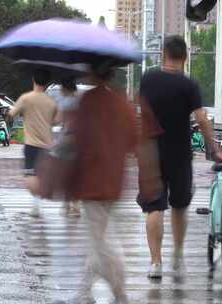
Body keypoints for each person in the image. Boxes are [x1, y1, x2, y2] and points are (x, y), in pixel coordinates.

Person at [138, 35, 222, 279]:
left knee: (154, 208)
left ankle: (156, 263)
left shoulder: (148, 80)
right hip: (179, 154)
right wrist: (215, 150)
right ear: (185, 58)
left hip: (151, 153)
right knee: (179, 206)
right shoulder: (189, 86)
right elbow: (201, 118)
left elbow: (142, 112)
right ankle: (177, 255)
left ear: (162, 54)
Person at [65, 65, 138, 304]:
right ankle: (84, 293)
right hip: (114, 181)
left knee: (99, 243)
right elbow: (132, 142)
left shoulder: (88, 102)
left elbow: (75, 140)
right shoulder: (121, 103)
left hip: (92, 182)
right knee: (96, 239)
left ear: (95, 73)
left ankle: (120, 292)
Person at [9, 69, 58, 218]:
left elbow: (12, 114)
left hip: (31, 144)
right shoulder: (51, 101)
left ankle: (36, 203)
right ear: (47, 82)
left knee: (30, 175)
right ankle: (40, 198)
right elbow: (55, 121)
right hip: (47, 144)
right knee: (40, 174)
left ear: (33, 80)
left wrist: (8, 115)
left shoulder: (27, 98)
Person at [53, 78, 81, 217]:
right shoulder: (81, 101)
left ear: (64, 89)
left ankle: (66, 205)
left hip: (65, 141)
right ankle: (76, 206)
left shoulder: (63, 101)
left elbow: (57, 120)